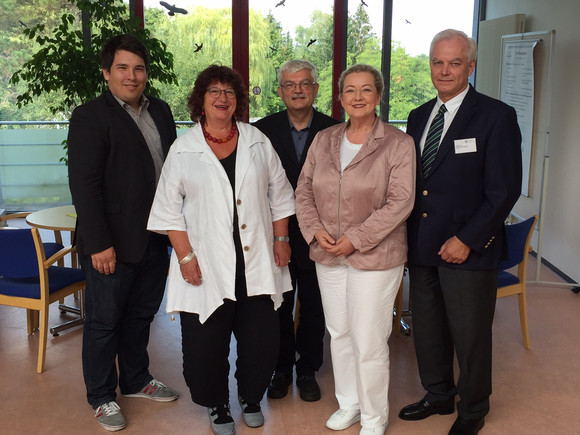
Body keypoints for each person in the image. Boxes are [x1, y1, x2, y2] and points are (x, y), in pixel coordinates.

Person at [147, 64, 295, 435]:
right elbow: (167, 210)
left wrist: (281, 240)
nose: (222, 98)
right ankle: (216, 404)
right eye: (214, 91)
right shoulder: (184, 147)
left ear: (238, 100)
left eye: (229, 92)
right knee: (205, 344)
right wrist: (184, 256)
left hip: (256, 259)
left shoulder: (257, 140)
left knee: (261, 339)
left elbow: (280, 195)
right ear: (201, 100)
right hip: (205, 264)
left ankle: (250, 398)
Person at [398, 29, 522, 435]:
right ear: (430, 65)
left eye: (454, 62)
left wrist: (467, 239)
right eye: (438, 62)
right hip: (422, 245)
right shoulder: (418, 117)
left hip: (468, 250)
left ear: (471, 66)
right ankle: (437, 394)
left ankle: (472, 409)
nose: (445, 70)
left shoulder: (496, 116)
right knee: (428, 329)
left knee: (470, 336)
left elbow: (503, 191)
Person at [295, 64, 416, 435]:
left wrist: (356, 239)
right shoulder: (325, 139)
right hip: (328, 253)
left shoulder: (398, 143)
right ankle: (350, 403)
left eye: (366, 90)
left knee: (368, 338)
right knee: (340, 331)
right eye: (350, 90)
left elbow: (400, 202)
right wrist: (315, 231)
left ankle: (374, 417)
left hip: (375, 257)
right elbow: (303, 190)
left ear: (378, 96)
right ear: (340, 97)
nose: (358, 97)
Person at [68, 34, 179, 432]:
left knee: (140, 316)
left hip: (155, 237)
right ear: (106, 72)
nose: (132, 76)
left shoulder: (161, 112)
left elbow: (172, 171)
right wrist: (98, 243)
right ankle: (101, 396)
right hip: (110, 243)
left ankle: (136, 380)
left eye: (138, 68)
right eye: (122, 68)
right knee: (103, 322)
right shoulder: (90, 116)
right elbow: (84, 184)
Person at [253, 59, 339, 402]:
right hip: (277, 234)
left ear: (316, 89)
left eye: (305, 83)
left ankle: (307, 370)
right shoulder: (261, 131)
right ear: (280, 91)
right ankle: (281, 368)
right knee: (279, 305)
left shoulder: (336, 130)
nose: (298, 90)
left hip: (322, 234)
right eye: (290, 84)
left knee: (316, 305)